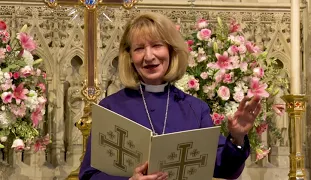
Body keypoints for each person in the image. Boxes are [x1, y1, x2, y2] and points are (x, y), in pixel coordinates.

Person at [79, 12, 262, 180]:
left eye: (157, 45)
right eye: (139, 48)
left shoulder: (195, 109)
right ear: (129, 57)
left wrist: (237, 137)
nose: (149, 56)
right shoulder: (111, 107)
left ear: (171, 50)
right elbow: (89, 175)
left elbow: (225, 169)